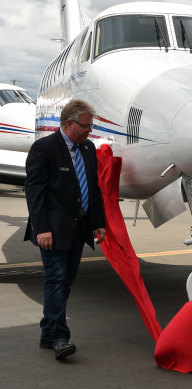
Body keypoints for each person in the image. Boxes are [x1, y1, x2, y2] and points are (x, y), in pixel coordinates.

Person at [24, 99, 106, 359]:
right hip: (53, 230)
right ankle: (60, 337)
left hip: (79, 229)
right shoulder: (44, 149)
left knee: (65, 282)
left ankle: (48, 332)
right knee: (56, 280)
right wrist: (41, 228)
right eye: (86, 126)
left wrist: (98, 222)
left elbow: (93, 189)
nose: (89, 132)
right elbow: (34, 193)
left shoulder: (88, 149)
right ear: (69, 123)